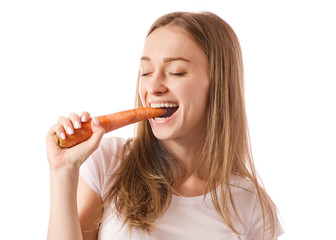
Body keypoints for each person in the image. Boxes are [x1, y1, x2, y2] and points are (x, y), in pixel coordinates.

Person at [46, 11, 284, 240]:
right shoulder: (108, 162)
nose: (153, 87)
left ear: (218, 84)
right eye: (146, 72)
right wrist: (62, 172)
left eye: (176, 72)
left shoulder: (250, 204)